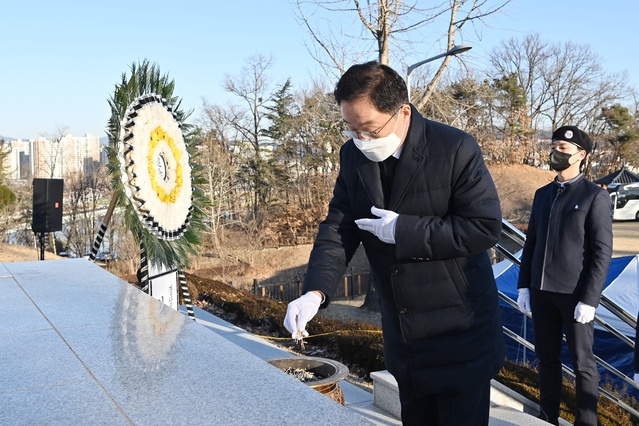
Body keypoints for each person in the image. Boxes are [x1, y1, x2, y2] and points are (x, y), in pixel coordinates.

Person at [283, 61, 505, 425]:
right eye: (351, 128)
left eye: (369, 128)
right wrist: (315, 293)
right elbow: (339, 228)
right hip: (406, 338)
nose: (362, 140)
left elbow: (483, 227)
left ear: (402, 111)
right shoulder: (352, 155)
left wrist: (405, 231)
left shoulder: (454, 148)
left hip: (459, 332)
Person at [517, 126, 613, 425]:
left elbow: (601, 252)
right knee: (547, 360)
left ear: (581, 155)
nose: (555, 152)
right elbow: (530, 244)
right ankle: (548, 418)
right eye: (554, 146)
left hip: (575, 296)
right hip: (542, 292)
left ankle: (586, 421)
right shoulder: (543, 194)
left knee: (583, 364)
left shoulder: (594, 196)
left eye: (563, 148)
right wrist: (524, 286)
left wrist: (590, 299)